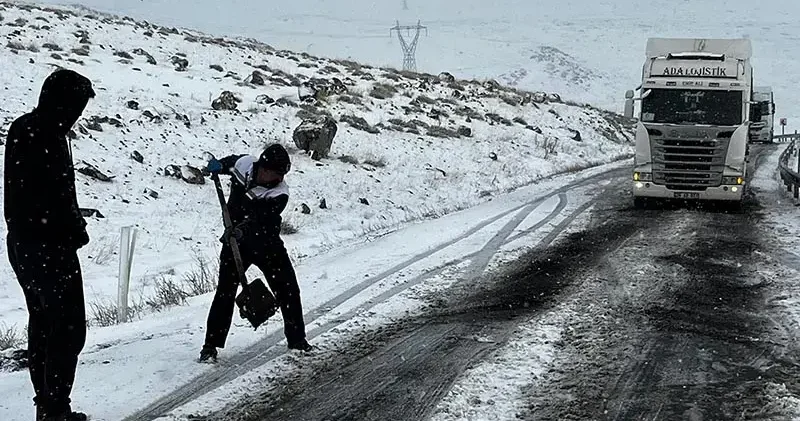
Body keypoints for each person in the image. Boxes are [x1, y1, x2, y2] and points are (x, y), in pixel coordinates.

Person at [5, 69, 95, 421]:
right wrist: (72, 228)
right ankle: (54, 408)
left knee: (44, 325)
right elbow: (49, 196)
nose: (77, 117)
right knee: (66, 329)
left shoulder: (27, 128)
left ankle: (49, 405)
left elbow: (44, 195)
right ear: (61, 103)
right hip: (47, 247)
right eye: (75, 107)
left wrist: (70, 223)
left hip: (27, 245)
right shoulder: (43, 134)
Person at [200, 144, 312, 362]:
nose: (278, 178)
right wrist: (218, 166)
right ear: (263, 167)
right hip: (235, 243)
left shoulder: (279, 193)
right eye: (276, 173)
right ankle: (210, 346)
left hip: (267, 244)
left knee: (288, 289)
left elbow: (261, 219)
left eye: (282, 175)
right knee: (225, 291)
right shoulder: (244, 164)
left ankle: (297, 340)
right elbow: (230, 162)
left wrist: (240, 229)